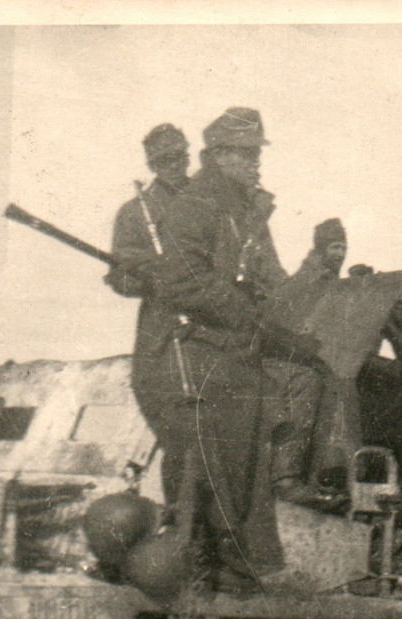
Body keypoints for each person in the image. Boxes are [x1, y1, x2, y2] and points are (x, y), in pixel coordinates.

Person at [129, 107, 287, 591]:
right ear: (218, 156)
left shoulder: (244, 209)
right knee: (215, 467)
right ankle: (212, 567)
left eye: (257, 153)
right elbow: (183, 280)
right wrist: (244, 313)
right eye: (247, 154)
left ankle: (242, 567)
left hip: (238, 351)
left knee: (248, 463)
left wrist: (296, 307)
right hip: (202, 353)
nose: (256, 162)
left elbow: (271, 276)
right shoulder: (197, 204)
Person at [106, 123, 191, 503]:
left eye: (180, 157)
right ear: (153, 164)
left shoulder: (205, 203)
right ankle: (178, 516)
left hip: (211, 325)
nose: (175, 165)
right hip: (162, 330)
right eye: (165, 159)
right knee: (177, 430)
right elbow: (121, 278)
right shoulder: (134, 213)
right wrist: (150, 276)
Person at [261, 219, 356, 503]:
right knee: (310, 383)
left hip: (309, 359)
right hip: (284, 361)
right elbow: (279, 322)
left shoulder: (330, 280)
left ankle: (328, 476)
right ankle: (288, 477)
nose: (340, 254)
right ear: (321, 248)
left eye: (344, 248)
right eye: (335, 247)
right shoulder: (308, 279)